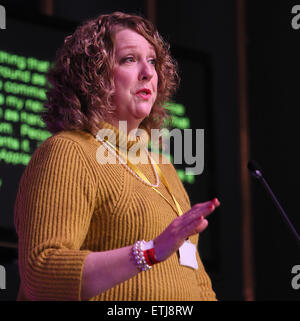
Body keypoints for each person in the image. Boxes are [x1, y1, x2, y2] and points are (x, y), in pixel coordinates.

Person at [14, 11, 220, 301]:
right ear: (94, 75)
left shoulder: (162, 167)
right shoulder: (69, 151)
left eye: (152, 61)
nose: (149, 72)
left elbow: (194, 278)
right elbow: (42, 272)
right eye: (129, 59)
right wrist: (148, 253)